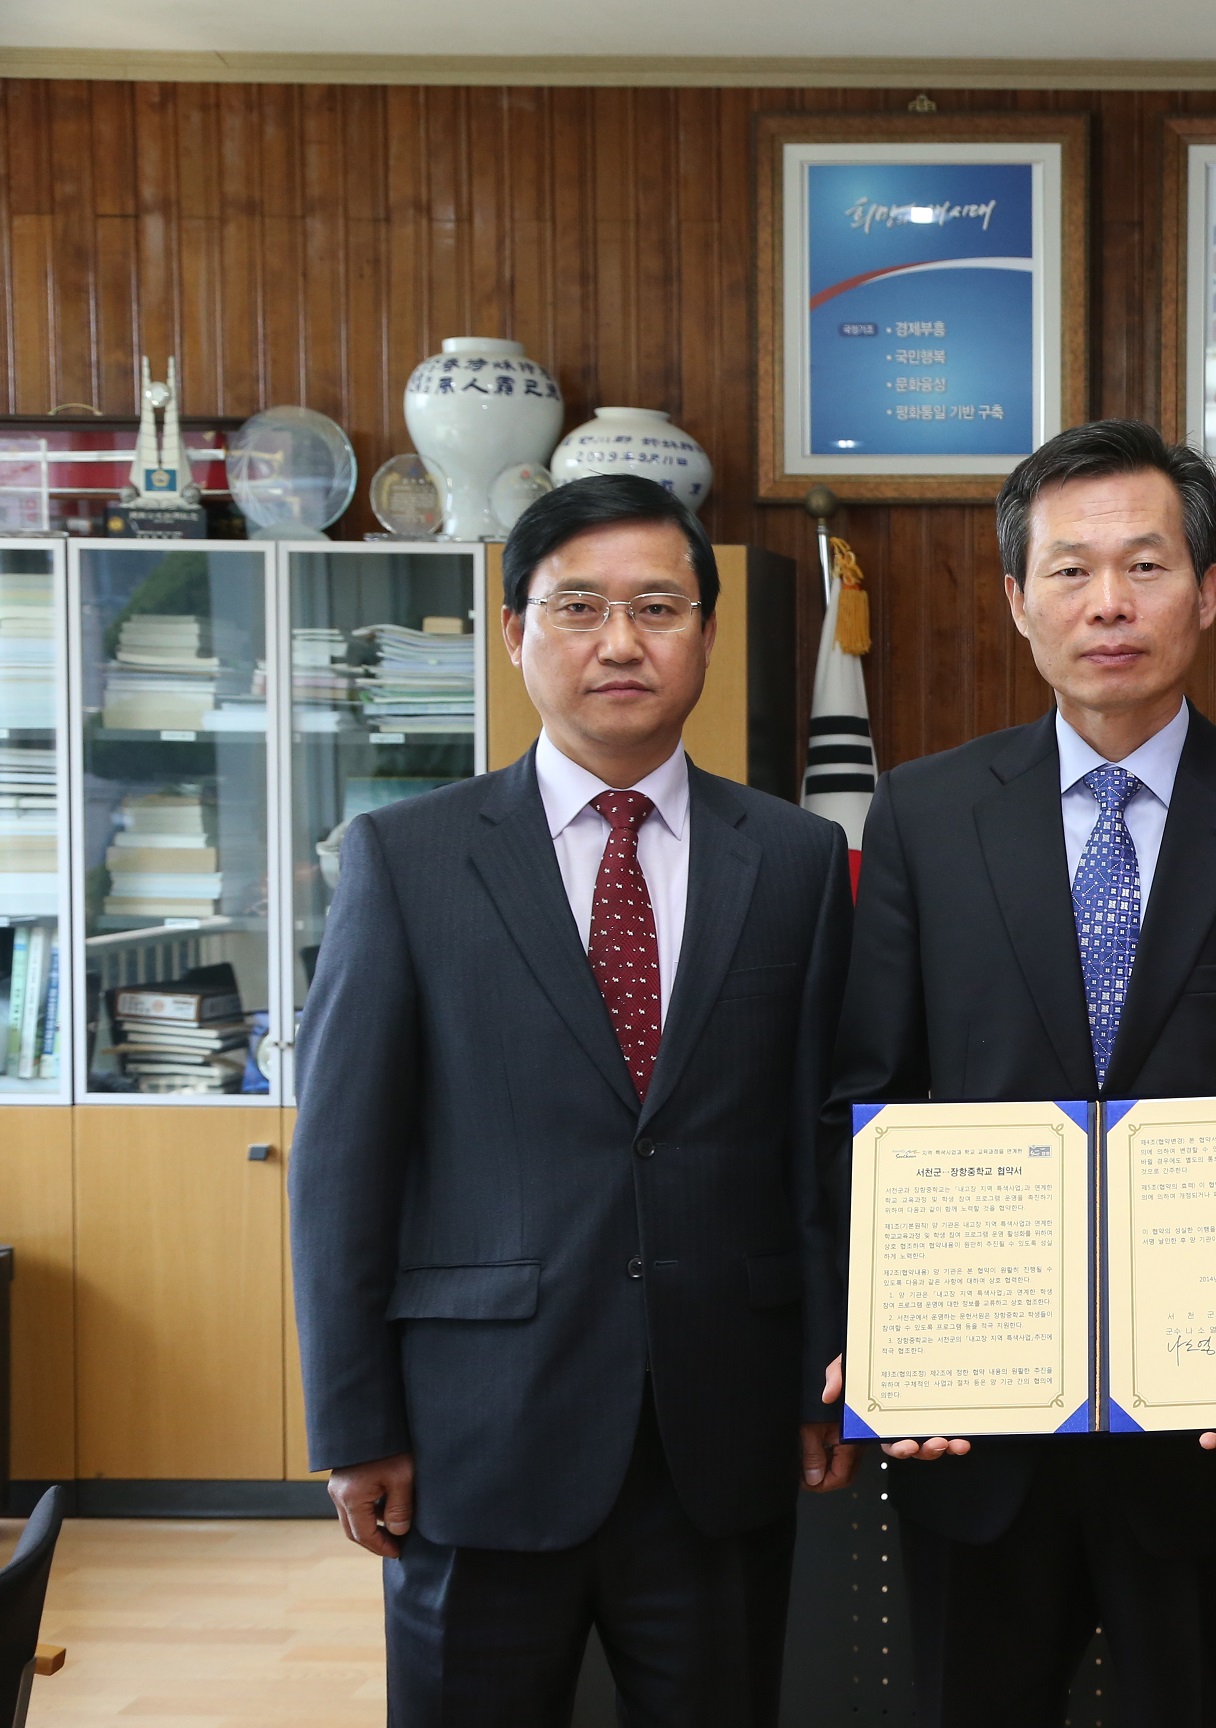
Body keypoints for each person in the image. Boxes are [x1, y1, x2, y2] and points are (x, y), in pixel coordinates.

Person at [832, 419, 1216, 1727]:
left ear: (1207, 591)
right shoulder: (922, 819)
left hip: (1215, 1434)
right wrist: (881, 1353)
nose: (1108, 604)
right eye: (1071, 570)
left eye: (1144, 566)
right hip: (972, 1426)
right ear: (1016, 599)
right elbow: (870, 1098)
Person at [289, 474, 859, 1726]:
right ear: (514, 630)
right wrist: (354, 1419)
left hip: (720, 1424)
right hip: (476, 1434)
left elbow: (814, 1138)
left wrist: (831, 1372)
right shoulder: (409, 858)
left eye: (659, 607)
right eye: (581, 605)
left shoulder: (798, 860)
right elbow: (341, 1165)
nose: (620, 641)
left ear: (706, 632)